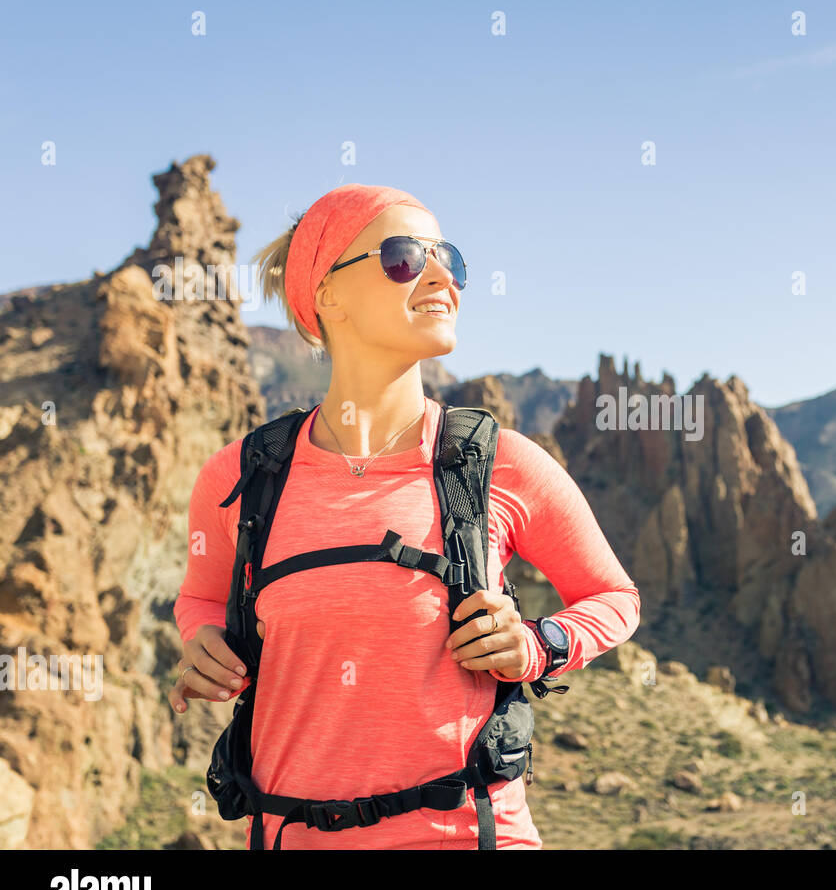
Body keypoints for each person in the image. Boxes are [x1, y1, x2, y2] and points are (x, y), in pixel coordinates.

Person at [168, 183, 640, 848]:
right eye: (405, 257)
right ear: (327, 295)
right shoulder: (242, 476)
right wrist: (204, 640)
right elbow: (201, 597)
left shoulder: (496, 461)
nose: (443, 276)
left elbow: (613, 597)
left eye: (449, 258)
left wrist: (538, 646)